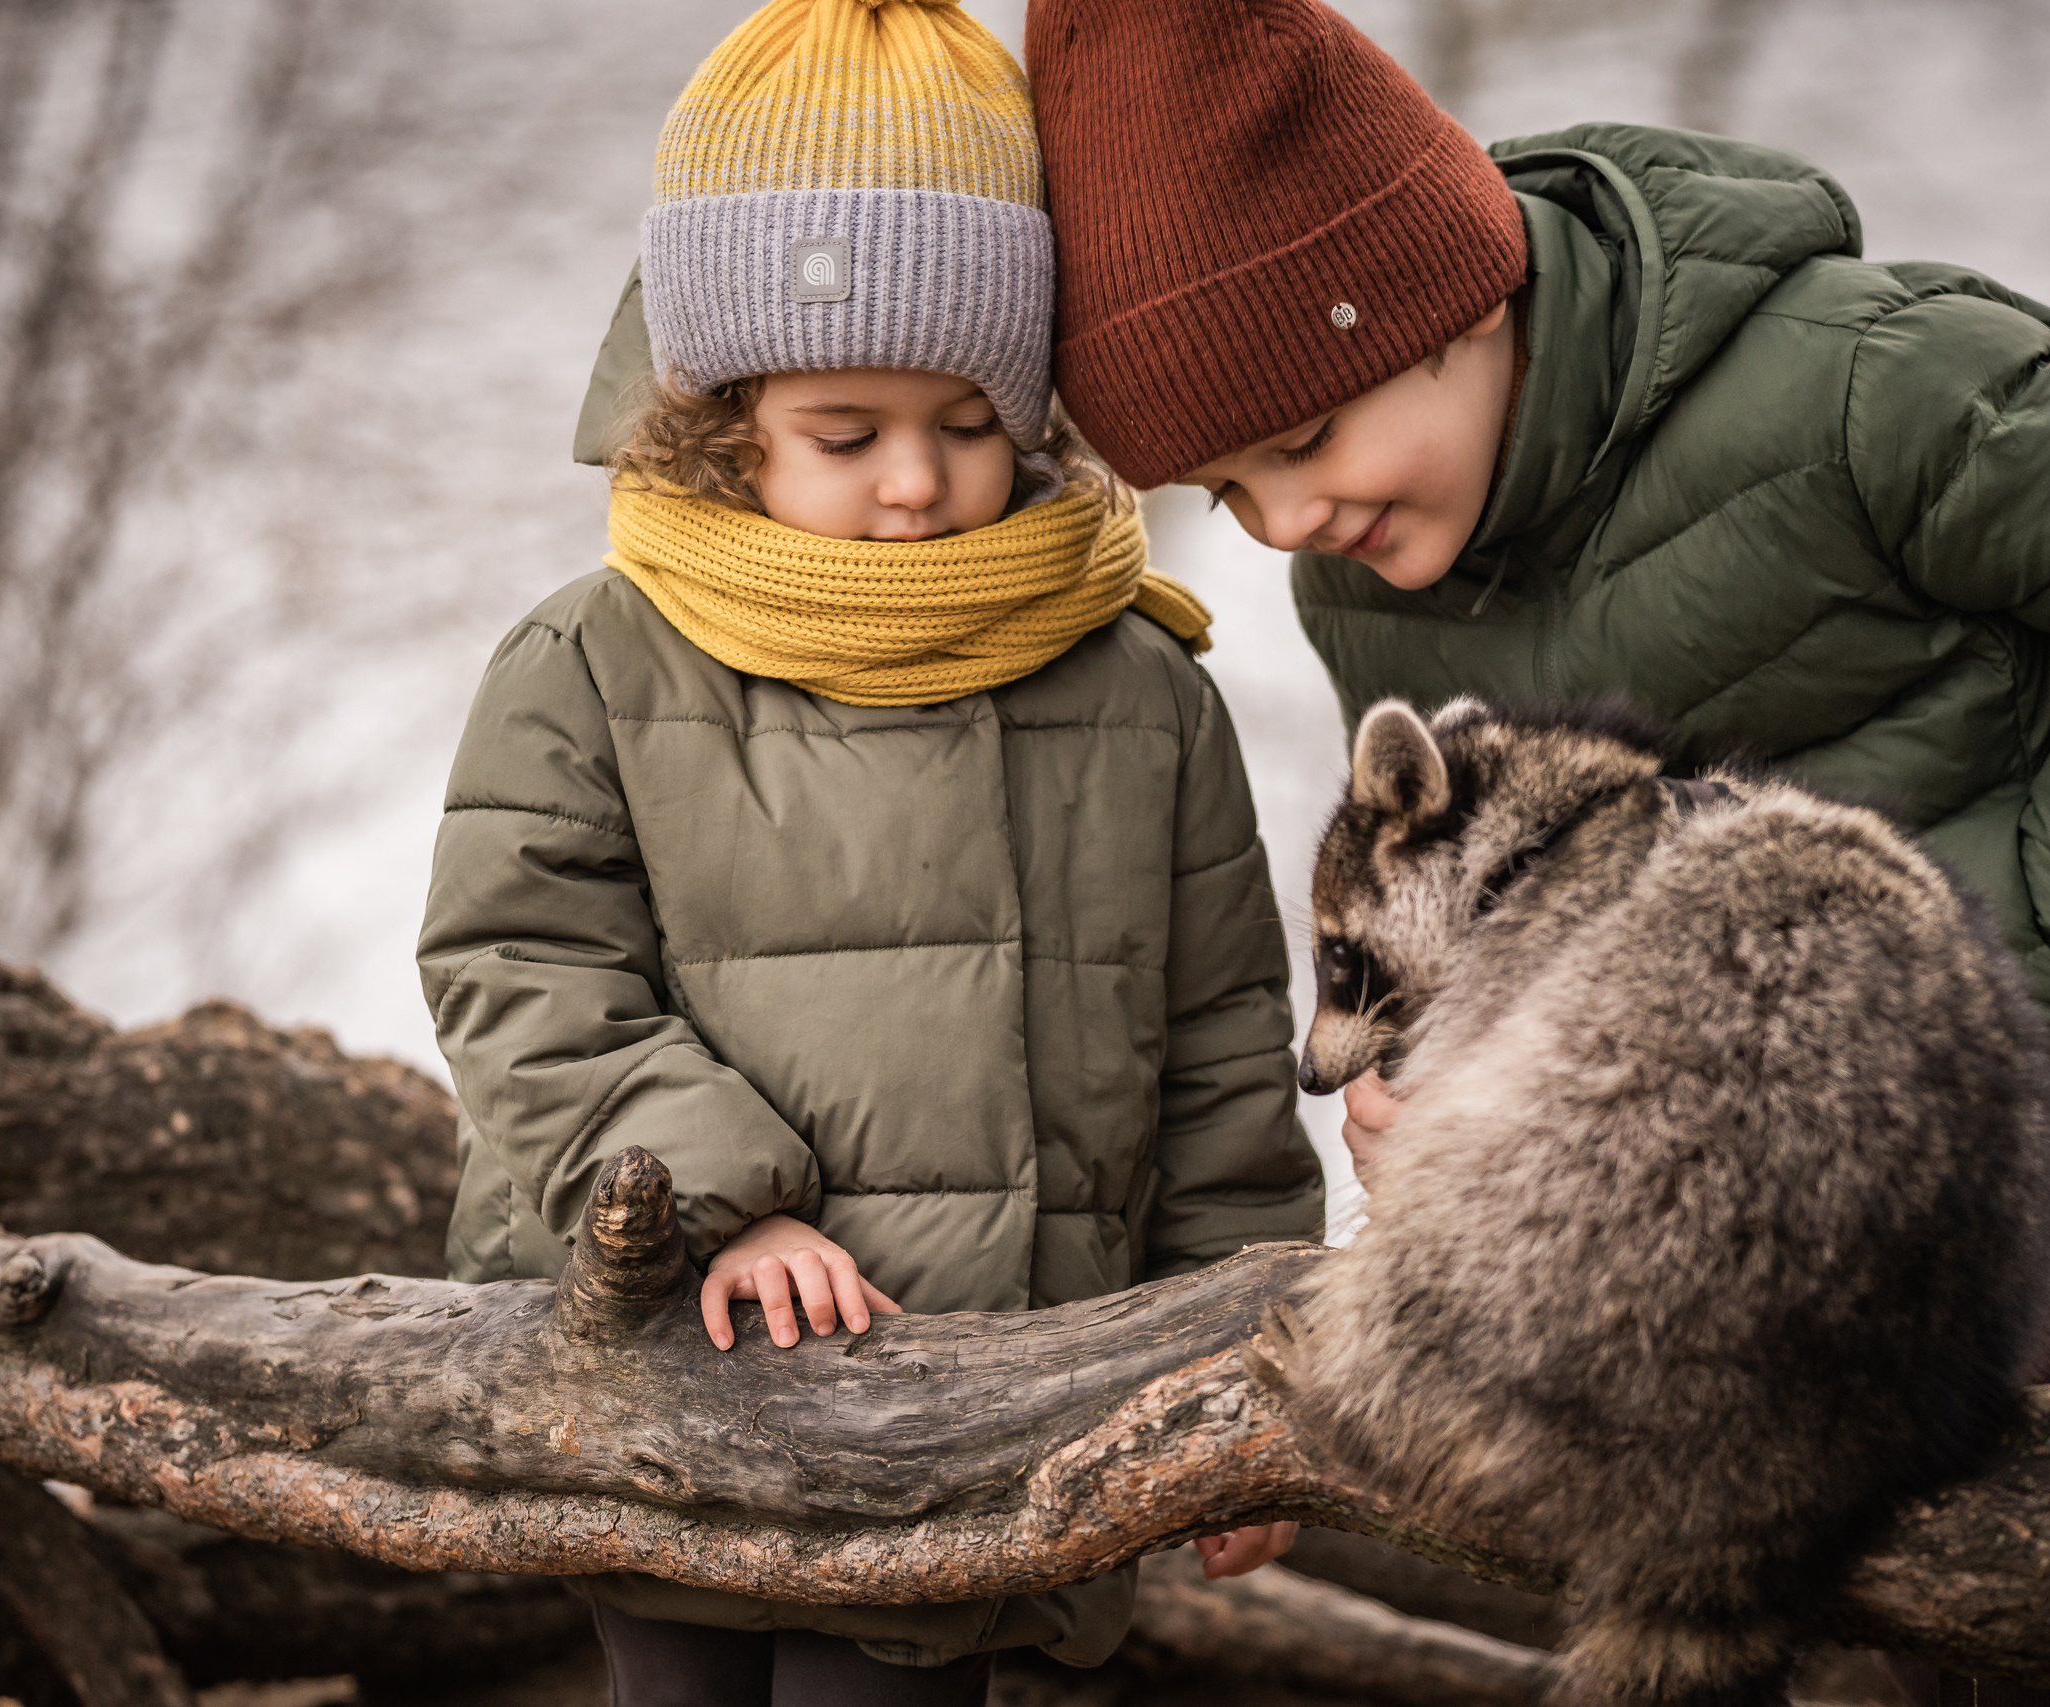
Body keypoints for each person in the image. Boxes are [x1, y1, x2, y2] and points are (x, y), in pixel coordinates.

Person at [1020, 3, 2050, 1703]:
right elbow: (1488, 910)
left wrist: (1935, 1035)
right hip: (1726, 1113)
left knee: (1937, 1590)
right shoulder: (1366, 572)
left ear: (1440, 304)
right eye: (1221, 491)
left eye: (1301, 444)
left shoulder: (1868, 386)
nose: (1284, 526)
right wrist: (1456, 1089)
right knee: (1713, 1539)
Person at [422, 2, 1322, 1701]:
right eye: (848, 434)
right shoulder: (593, 663)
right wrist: (712, 1210)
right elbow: (520, 974)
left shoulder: (1137, 684)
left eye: (972, 423)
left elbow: (1213, 1047)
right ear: (721, 418)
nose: (916, 482)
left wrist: (1250, 1371)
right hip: (668, 1349)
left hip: (973, 1393)